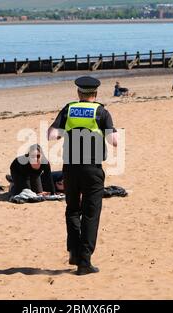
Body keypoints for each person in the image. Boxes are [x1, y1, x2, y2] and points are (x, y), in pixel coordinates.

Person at [48, 76, 118, 276]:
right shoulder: (101, 112)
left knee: (72, 209)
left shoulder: (69, 109)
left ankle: (73, 251)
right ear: (95, 94)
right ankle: (84, 261)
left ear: (79, 93)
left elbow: (51, 135)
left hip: (70, 168)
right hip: (92, 169)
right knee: (90, 213)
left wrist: (64, 132)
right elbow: (114, 141)